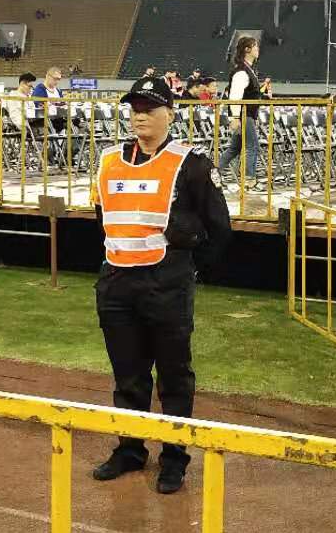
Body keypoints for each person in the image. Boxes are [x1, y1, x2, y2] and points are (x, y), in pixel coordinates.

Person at [90, 76, 232, 494]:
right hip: (117, 284)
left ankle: (174, 459)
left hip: (167, 285)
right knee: (128, 376)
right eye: (135, 109)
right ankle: (130, 450)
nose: (140, 117)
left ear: (170, 113)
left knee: (173, 377)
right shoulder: (108, 160)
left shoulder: (192, 165)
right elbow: (102, 219)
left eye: (149, 109)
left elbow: (220, 229)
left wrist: (187, 270)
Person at [220, 36, 270, 185]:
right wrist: (235, 117)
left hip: (247, 115)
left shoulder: (248, 69)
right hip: (244, 115)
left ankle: (213, 172)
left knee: (234, 148)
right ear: (247, 50)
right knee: (252, 146)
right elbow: (235, 96)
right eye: (255, 46)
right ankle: (249, 180)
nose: (258, 49)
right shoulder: (242, 71)